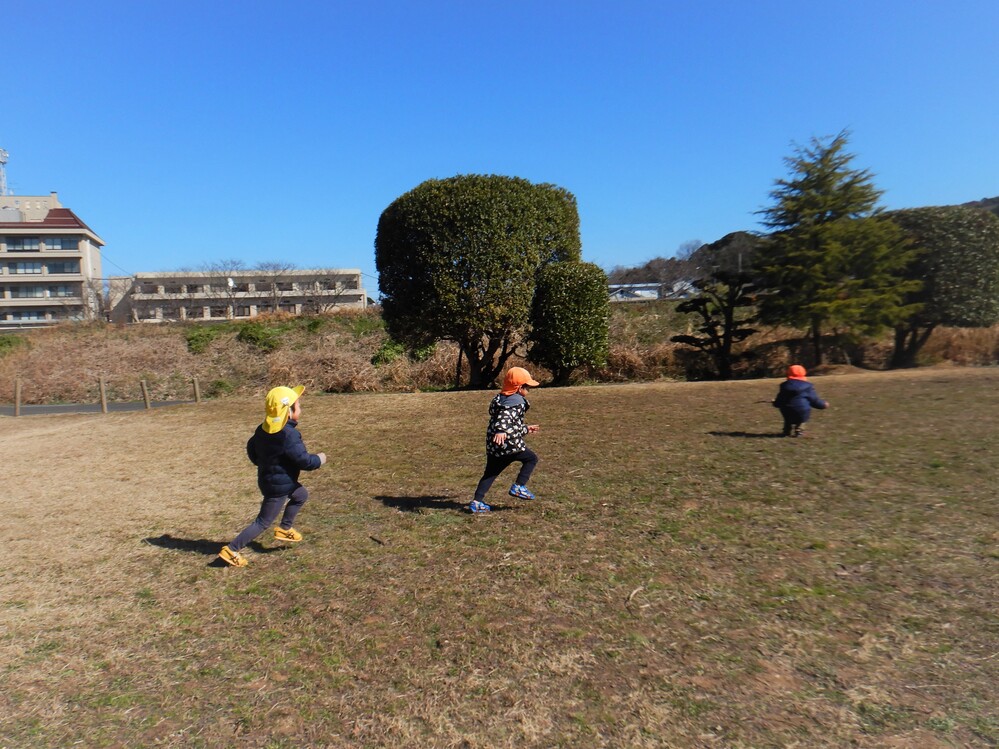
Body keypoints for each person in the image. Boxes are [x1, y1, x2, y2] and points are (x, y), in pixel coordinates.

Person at [219, 385, 327, 567]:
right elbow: (303, 461)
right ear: (290, 411)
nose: (300, 408)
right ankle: (232, 549)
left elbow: (252, 450)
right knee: (263, 521)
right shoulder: (288, 435)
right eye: (298, 405)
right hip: (278, 487)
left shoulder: (263, 429)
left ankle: (285, 528)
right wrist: (319, 459)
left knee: (301, 495)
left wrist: (263, 463)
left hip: (273, 479)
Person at [470, 367, 541, 514]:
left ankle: (477, 502)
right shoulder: (517, 401)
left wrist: (526, 429)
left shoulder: (500, 398)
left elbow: (511, 425)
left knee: (491, 472)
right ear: (519, 387)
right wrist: (501, 430)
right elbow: (505, 418)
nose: (528, 391)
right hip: (509, 445)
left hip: (494, 444)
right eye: (527, 387)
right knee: (531, 459)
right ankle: (519, 486)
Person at [772, 364, 829, 437]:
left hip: (786, 411)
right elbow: (814, 400)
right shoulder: (808, 386)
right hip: (802, 410)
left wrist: (776, 403)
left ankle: (786, 430)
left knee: (787, 418)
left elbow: (780, 398)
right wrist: (823, 404)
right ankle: (799, 430)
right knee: (802, 418)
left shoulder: (784, 386)